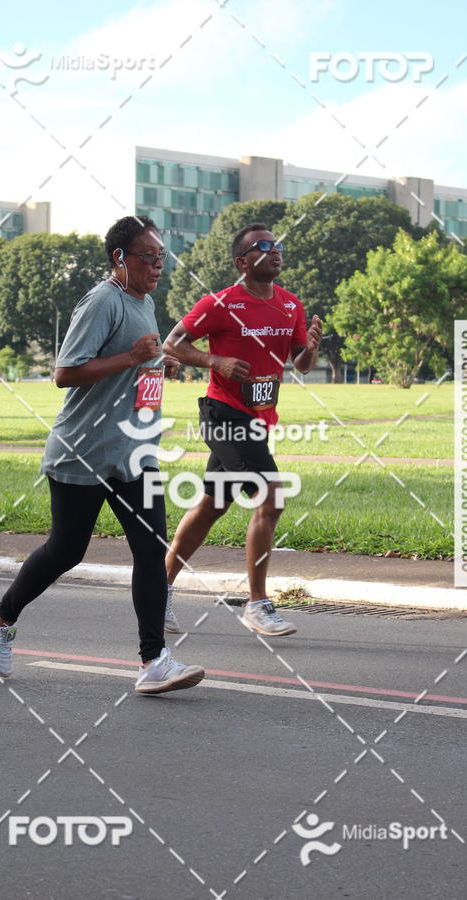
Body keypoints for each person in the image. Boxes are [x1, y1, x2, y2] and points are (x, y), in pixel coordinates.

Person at [0, 216, 205, 695]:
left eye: (162, 255)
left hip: (133, 451)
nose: (158, 264)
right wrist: (130, 358)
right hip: (82, 451)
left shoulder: (145, 301)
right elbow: (65, 373)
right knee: (66, 551)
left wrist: (154, 362)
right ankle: (0, 618)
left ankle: (153, 661)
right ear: (120, 258)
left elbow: (135, 359)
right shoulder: (103, 301)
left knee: (151, 549)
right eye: (149, 256)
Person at [162, 222, 321, 637]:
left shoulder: (290, 305)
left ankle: (155, 590)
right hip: (223, 414)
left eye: (277, 245)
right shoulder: (219, 303)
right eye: (262, 247)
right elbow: (172, 343)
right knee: (272, 496)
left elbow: (299, 365)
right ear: (242, 262)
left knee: (211, 507)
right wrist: (216, 362)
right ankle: (257, 604)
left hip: (259, 420)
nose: (274, 251)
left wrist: (310, 351)